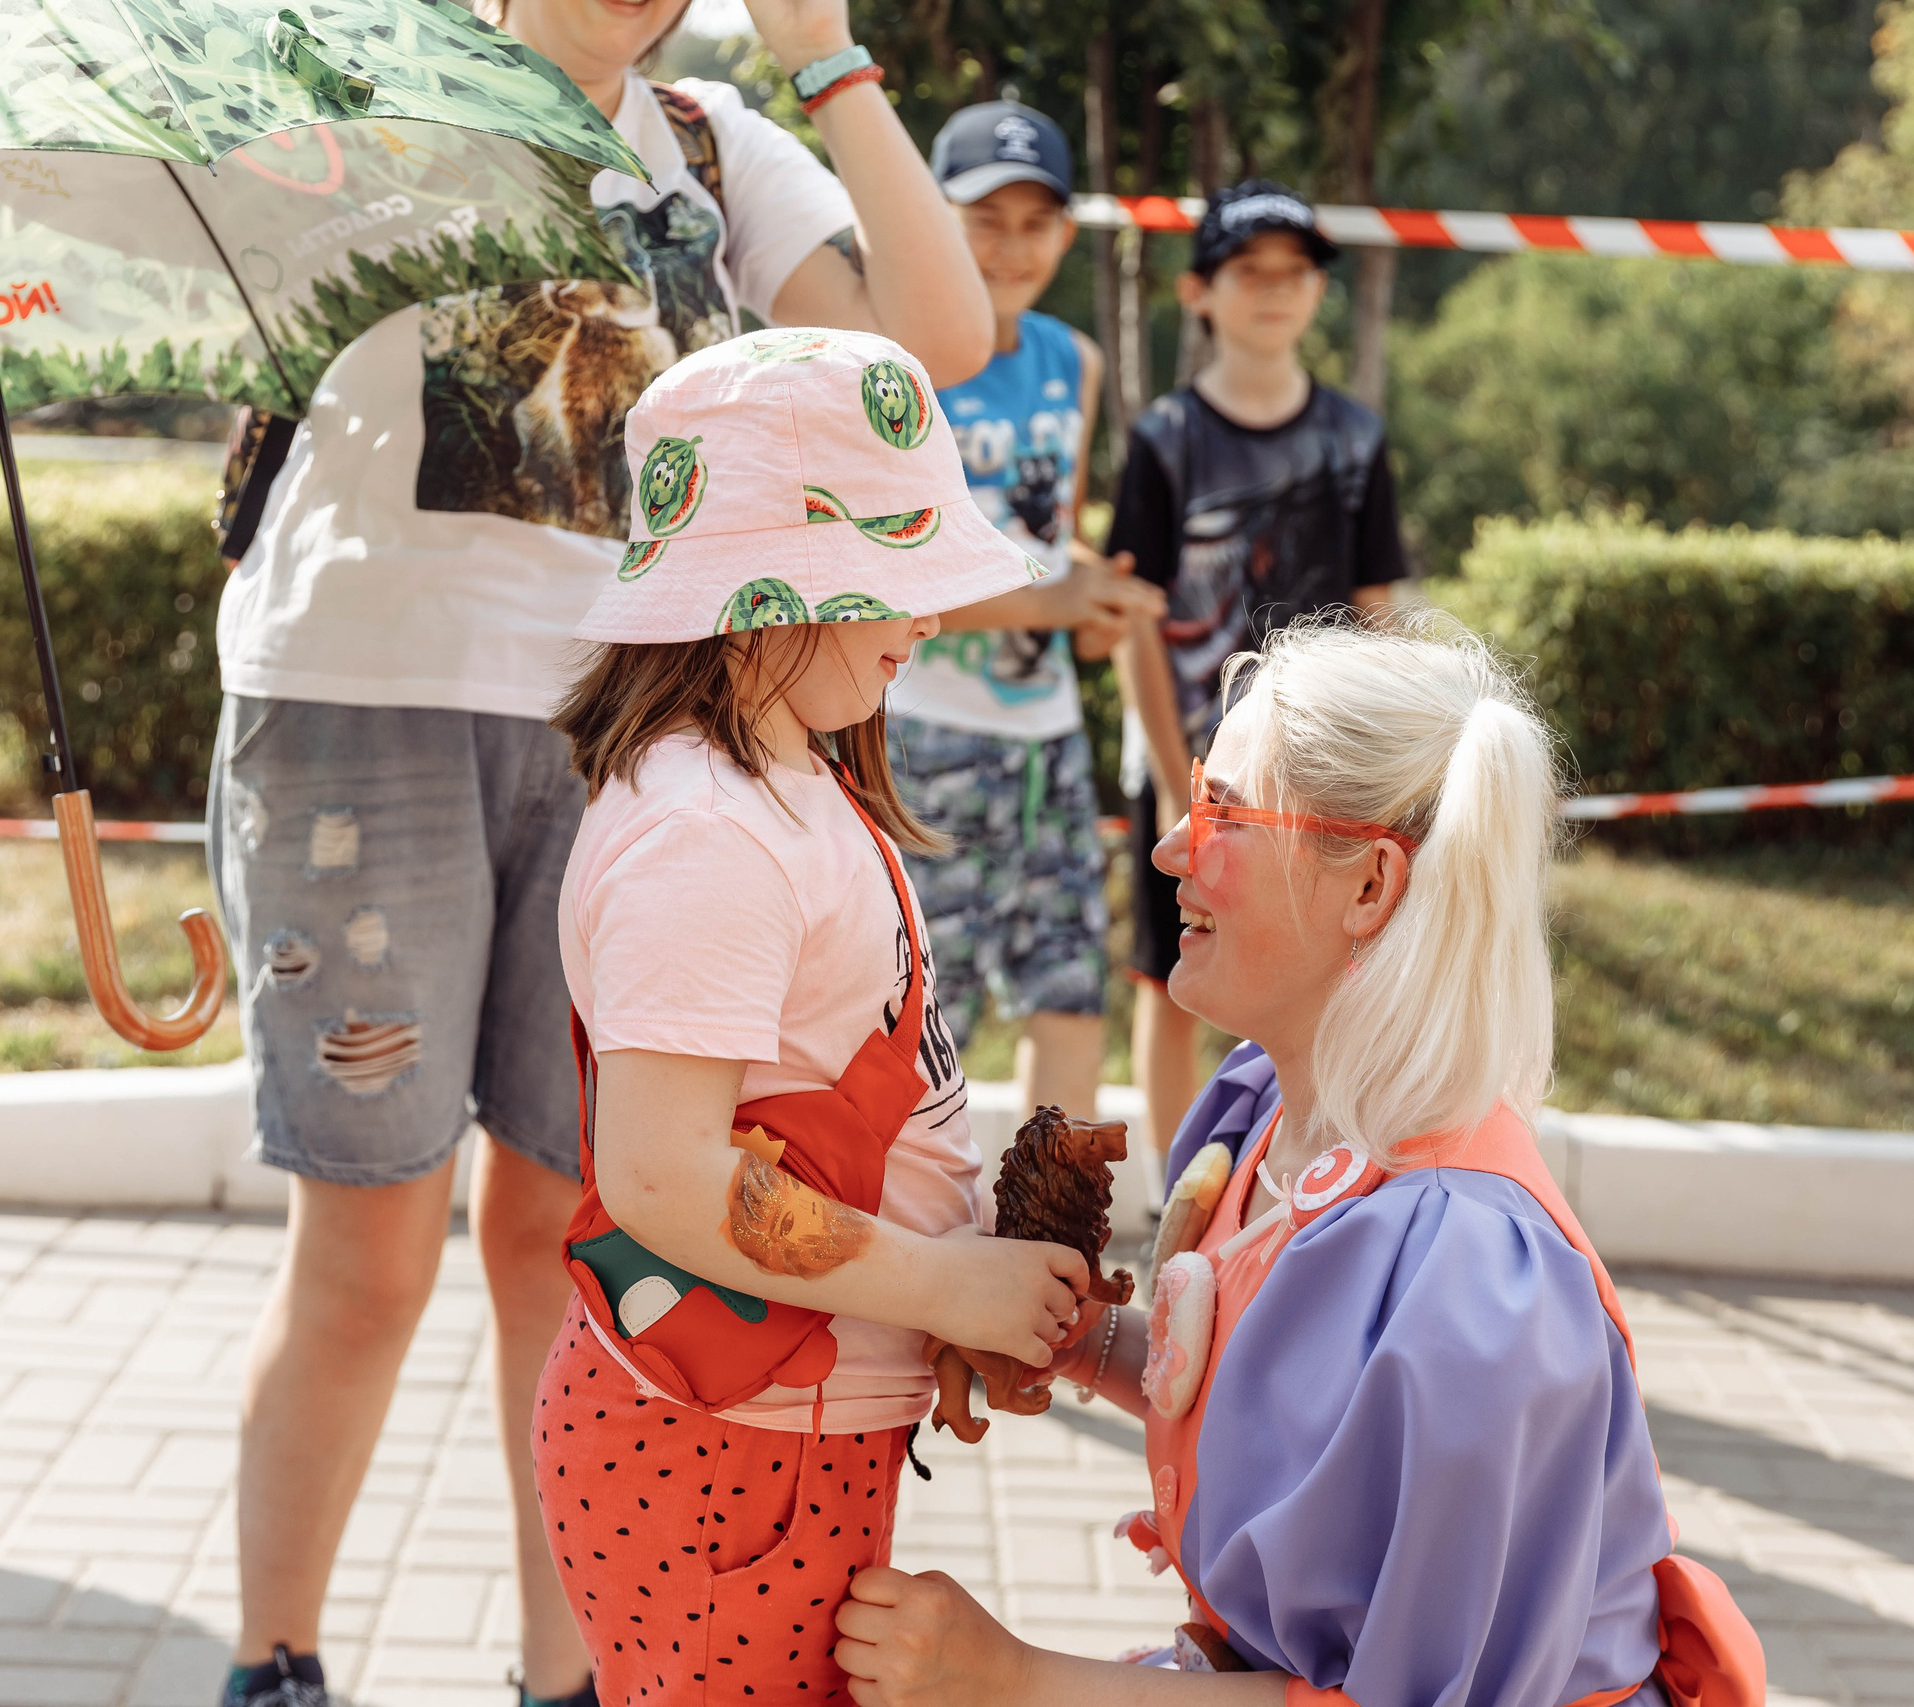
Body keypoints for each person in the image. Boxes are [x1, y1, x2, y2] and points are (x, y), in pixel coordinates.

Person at [204, 1, 998, 1699]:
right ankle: (275, 1664)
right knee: (367, 1243)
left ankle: (569, 1676)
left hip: (621, 729)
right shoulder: (354, 79)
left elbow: (932, 346)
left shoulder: (711, 140)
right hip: (359, 693)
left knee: (578, 1228)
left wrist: (827, 53)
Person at [828, 615, 1761, 1706]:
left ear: (1368, 886)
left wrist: (1015, 1679)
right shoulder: (1268, 1111)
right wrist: (1075, 1338)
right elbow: (1277, 1403)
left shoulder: (1474, 1288)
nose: (1172, 848)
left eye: (1224, 812)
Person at [539, 328, 1089, 1707]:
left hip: (777, 1422)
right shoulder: (706, 834)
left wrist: (946, 1292)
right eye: (901, 575)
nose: (929, 619)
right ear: (782, 582)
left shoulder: (778, 778)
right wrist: (943, 1283)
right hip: (726, 1445)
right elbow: (667, 1173)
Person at [1108, 180, 1408, 1160]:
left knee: (1321, 974)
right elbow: (1135, 623)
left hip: (1315, 783)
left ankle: (1306, 1177)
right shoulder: (1163, 441)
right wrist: (1165, 780)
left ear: (1317, 291)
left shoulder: (1355, 441)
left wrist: (1390, 773)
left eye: (1294, 273)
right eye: (1249, 272)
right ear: (1200, 291)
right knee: (1170, 980)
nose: (1273, 292)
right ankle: (1172, 1197)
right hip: (1193, 770)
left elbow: (1377, 614)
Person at [884, 100, 1166, 1118]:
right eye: (982, 217)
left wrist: (1098, 604)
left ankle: (1051, 1250)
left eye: (1035, 219)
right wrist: (1053, 597)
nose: (1011, 245)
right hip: (922, 734)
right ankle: (923, 1260)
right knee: (923, 1017)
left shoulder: (1072, 360)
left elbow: (1053, 542)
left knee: (1069, 995)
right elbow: (879, 581)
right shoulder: (894, 359)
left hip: (1047, 740)